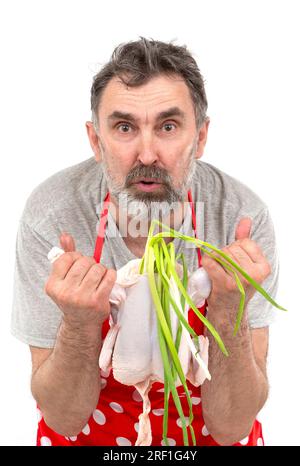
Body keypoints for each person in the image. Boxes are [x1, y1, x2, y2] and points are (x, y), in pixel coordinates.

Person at [11, 37, 279, 447]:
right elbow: (63, 418)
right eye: (124, 127)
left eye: (168, 127)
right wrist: (81, 325)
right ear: (96, 141)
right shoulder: (53, 216)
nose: (148, 153)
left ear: (201, 137)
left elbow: (233, 426)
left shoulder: (241, 219)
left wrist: (229, 310)